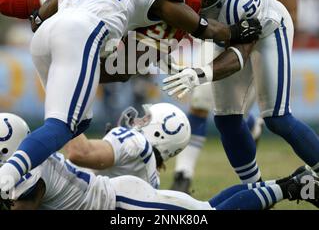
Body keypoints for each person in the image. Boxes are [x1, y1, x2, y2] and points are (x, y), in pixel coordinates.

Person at [0, 0, 261, 194]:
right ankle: (6, 176)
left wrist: (37, 18)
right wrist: (234, 33)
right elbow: (200, 27)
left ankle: (18, 170)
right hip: (80, 36)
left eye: (145, 118)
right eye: (145, 117)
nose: (137, 120)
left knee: (72, 125)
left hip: (47, 35)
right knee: (63, 126)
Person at [162, 0, 319, 187]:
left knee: (277, 118)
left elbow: (239, 55)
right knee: (226, 120)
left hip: (268, 31)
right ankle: (257, 190)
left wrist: (199, 74)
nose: (197, 2)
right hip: (224, 35)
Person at [0, 113, 318, 210]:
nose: (138, 117)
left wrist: (65, 111)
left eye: (147, 117)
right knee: (207, 209)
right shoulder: (139, 146)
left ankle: (292, 186)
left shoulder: (133, 140)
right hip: (126, 195)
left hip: (122, 204)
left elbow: (80, 155)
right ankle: (291, 183)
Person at [64, 103, 191, 189]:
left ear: (159, 133)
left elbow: (80, 153)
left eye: (146, 119)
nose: (138, 121)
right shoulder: (153, 177)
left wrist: (66, 108)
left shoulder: (137, 143)